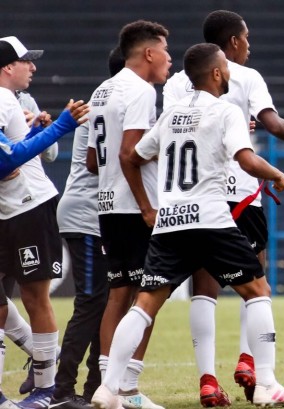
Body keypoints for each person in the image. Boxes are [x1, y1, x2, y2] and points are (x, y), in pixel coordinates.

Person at [91, 42, 284, 409]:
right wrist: (277, 174)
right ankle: (267, 384)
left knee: (143, 305)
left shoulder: (170, 115)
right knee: (258, 290)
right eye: (225, 67)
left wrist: (148, 206)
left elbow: (135, 156)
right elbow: (248, 161)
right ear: (218, 73)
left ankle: (107, 389)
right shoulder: (225, 112)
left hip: (170, 222)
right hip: (210, 219)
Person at [162, 10, 284, 406]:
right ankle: (251, 365)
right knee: (256, 283)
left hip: (195, 197)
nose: (249, 45)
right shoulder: (247, 77)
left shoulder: (180, 80)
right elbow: (272, 123)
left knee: (204, 289)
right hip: (242, 193)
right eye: (246, 38)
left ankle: (208, 381)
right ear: (233, 42)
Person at [85, 20, 171, 409]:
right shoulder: (140, 90)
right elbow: (128, 153)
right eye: (166, 51)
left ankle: (109, 388)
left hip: (106, 205)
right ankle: (127, 390)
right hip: (134, 208)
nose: (169, 59)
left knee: (118, 295)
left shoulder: (102, 89)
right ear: (149, 53)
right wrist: (147, 206)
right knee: (147, 295)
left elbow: (92, 160)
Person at [0, 35, 89, 409]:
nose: (32, 67)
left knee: (35, 295)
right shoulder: (2, 99)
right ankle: (39, 363)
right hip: (15, 208)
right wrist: (61, 126)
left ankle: (45, 389)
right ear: (7, 67)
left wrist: (37, 130)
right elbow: (4, 162)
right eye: (25, 61)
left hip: (27, 206)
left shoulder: (10, 101)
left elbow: (12, 157)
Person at [48, 46, 126, 409]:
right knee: (92, 301)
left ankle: (97, 386)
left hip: (102, 216)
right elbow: (109, 161)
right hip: (87, 215)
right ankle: (62, 390)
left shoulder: (115, 101)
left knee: (108, 302)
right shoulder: (110, 104)